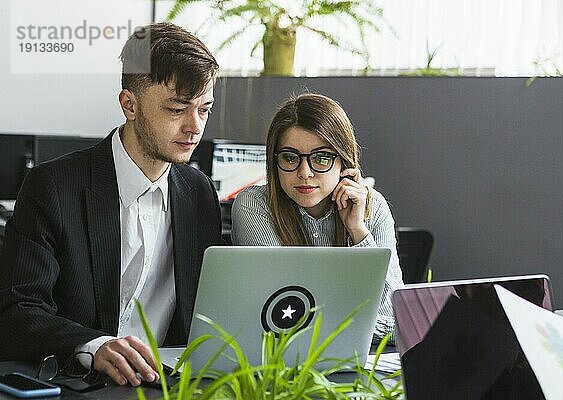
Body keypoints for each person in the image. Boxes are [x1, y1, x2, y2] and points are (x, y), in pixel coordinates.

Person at [0, 22, 222, 386]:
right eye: (177, 109)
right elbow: (16, 311)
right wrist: (93, 345)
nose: (195, 126)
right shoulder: (53, 188)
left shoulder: (198, 194)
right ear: (129, 104)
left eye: (204, 109)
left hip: (165, 385)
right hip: (78, 384)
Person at [231, 93, 403, 342]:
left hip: (362, 363)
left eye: (321, 158)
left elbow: (397, 320)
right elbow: (287, 318)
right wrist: (356, 321)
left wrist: (357, 231)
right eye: (290, 157)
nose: (304, 173)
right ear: (274, 160)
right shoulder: (254, 205)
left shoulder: (373, 205)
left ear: (344, 162)